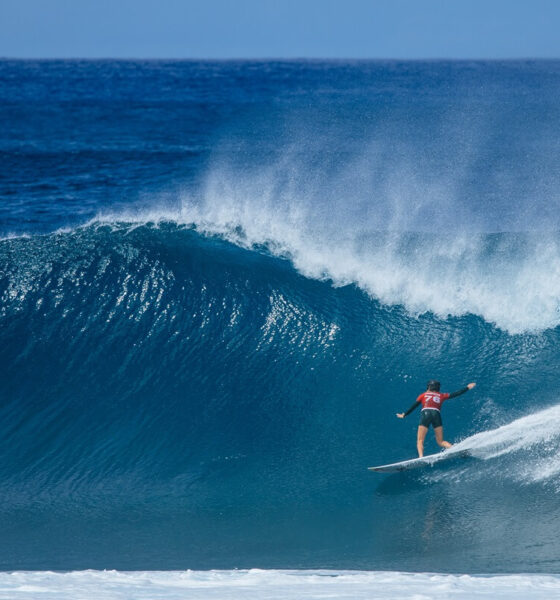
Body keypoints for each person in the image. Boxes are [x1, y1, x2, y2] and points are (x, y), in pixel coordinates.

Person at [396, 380, 476, 457]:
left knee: (420, 440)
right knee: (441, 441)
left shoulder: (423, 395)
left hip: (426, 413)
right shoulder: (441, 395)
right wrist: (467, 387)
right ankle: (456, 449)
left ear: (429, 387)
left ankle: (421, 457)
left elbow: (414, 406)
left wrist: (404, 414)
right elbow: (455, 394)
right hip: (436, 414)